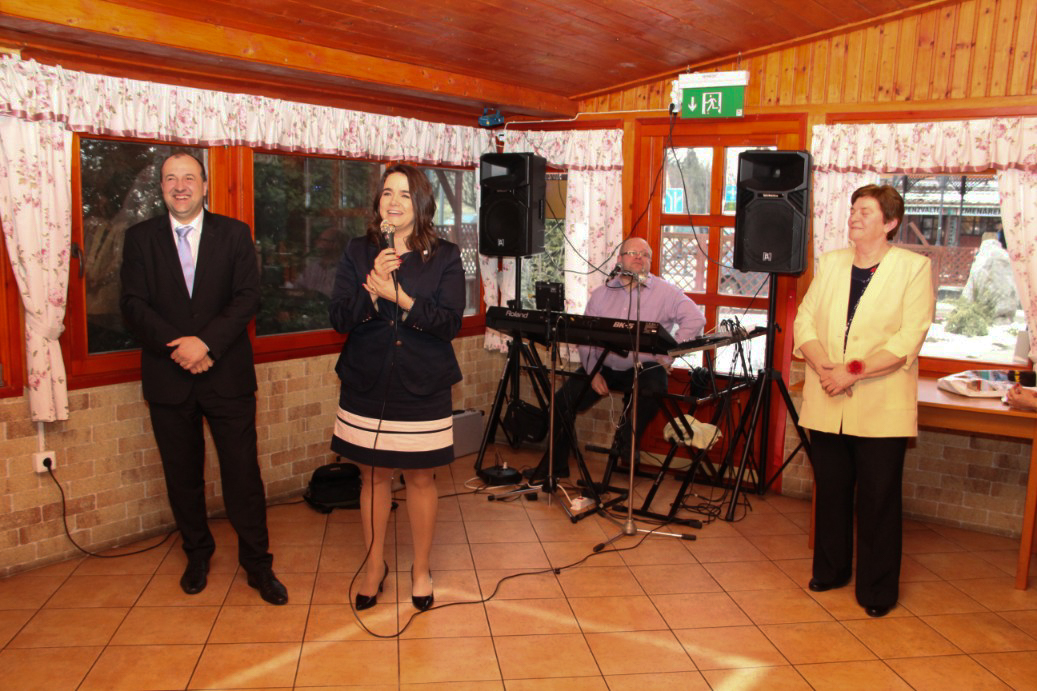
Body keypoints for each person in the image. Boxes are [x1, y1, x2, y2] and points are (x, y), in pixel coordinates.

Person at [120, 152, 288, 605]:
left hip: (226, 375)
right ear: (161, 187)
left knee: (242, 475)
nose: (180, 186)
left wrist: (206, 345)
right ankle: (197, 555)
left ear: (205, 185)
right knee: (183, 476)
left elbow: (247, 297)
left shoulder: (234, 234)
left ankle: (258, 564)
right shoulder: (139, 239)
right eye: (170, 178)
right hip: (168, 376)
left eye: (189, 178)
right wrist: (180, 347)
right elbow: (133, 305)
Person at [793, 183, 934, 618]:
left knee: (877, 500)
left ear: (890, 223)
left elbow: (908, 338)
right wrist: (826, 369)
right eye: (853, 208)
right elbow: (804, 321)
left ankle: (877, 590)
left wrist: (849, 371)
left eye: (866, 211)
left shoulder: (913, 268)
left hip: (879, 403)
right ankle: (831, 570)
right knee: (832, 492)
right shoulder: (833, 262)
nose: (854, 216)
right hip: (828, 396)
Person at [329, 163, 465, 612]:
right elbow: (339, 318)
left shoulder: (445, 255)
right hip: (367, 380)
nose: (394, 202)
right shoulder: (358, 250)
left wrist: (400, 298)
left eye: (405, 194)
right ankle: (374, 567)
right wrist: (372, 291)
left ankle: (420, 569)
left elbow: (449, 324)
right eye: (387, 193)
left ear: (421, 203)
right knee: (373, 476)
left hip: (423, 383)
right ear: (378, 202)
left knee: (421, 478)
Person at [523, 236, 706, 483]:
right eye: (632, 253)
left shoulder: (666, 292)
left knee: (653, 391)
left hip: (645, 367)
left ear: (650, 261)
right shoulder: (601, 294)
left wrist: (667, 355)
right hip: (604, 366)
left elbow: (696, 319)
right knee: (561, 401)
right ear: (620, 259)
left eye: (645, 254)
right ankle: (556, 466)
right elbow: (585, 337)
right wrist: (592, 372)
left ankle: (627, 442)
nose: (639, 257)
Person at [293, 226, 342, 297]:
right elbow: (297, 287)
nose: (317, 243)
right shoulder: (312, 268)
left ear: (334, 244)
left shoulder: (344, 270)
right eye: (319, 240)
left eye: (323, 240)